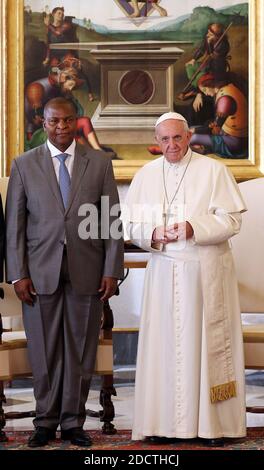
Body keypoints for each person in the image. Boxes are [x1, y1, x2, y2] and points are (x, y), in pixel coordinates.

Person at [5, 97, 124, 448]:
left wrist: (112, 271)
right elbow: (15, 225)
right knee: (43, 350)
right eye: (54, 121)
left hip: (87, 272)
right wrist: (17, 274)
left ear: (76, 122)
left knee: (81, 350)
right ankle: (44, 422)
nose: (62, 127)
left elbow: (111, 221)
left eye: (68, 121)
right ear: (44, 124)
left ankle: (73, 423)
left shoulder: (99, 163)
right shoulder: (24, 164)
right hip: (38, 275)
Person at [123, 112, 247, 446]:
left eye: (177, 138)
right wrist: (152, 232)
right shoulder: (146, 175)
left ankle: (213, 427)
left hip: (205, 271)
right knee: (164, 349)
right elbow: (130, 225)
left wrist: (194, 227)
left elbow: (232, 221)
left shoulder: (214, 171)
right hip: (164, 272)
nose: (171, 145)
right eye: (164, 139)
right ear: (156, 140)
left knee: (205, 348)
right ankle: (164, 425)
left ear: (189, 136)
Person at [190, 73, 248, 158]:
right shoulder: (228, 88)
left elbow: (215, 130)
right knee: (194, 130)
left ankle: (202, 149)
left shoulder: (224, 100)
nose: (205, 94)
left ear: (211, 85)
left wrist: (195, 131)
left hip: (235, 142)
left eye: (205, 90)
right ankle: (202, 148)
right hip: (229, 134)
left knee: (193, 138)